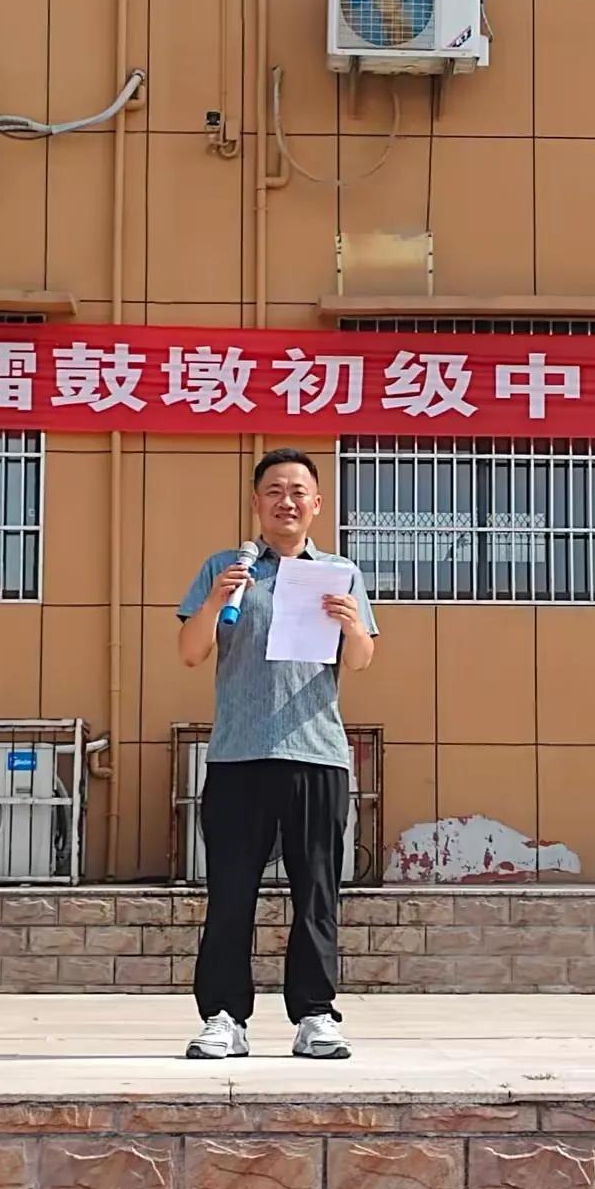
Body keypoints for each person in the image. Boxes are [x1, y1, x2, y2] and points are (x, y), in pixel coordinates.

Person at [177, 448, 378, 1060]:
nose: (285, 501)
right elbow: (190, 652)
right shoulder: (226, 566)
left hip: (316, 754)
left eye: (297, 491)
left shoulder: (339, 572)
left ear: (316, 504)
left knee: (316, 892)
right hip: (238, 755)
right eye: (273, 490)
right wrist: (215, 599)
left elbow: (361, 660)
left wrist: (352, 625)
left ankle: (316, 1015)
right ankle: (223, 1017)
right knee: (230, 893)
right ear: (255, 502)